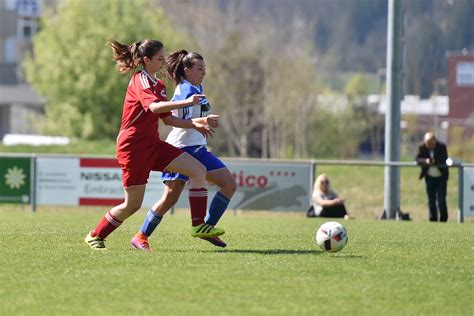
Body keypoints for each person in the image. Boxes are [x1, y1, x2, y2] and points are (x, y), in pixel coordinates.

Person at [84, 39, 224, 250]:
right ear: (146, 59)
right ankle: (96, 235)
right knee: (132, 205)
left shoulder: (158, 85)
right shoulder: (139, 79)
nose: (163, 62)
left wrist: (196, 124)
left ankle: (198, 225)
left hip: (153, 145)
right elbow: (153, 108)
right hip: (132, 148)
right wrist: (187, 102)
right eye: (159, 58)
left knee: (198, 170)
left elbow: (168, 119)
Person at [130, 50, 237, 251]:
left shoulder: (197, 87)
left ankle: (206, 227)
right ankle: (141, 236)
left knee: (229, 184)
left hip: (197, 147)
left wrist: (205, 119)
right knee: (170, 198)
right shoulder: (185, 91)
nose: (203, 72)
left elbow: (192, 118)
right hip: (181, 147)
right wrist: (202, 121)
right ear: (186, 70)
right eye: (199, 69)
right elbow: (176, 123)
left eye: (204, 69)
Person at [415, 132, 449, 222]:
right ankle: (433, 219)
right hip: (429, 177)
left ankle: (443, 220)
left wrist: (434, 161)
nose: (429, 146)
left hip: (441, 177)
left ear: (435, 141)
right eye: (427, 144)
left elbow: (444, 159)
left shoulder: (442, 146)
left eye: (431, 144)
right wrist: (426, 161)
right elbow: (417, 159)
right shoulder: (422, 147)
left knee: (441, 200)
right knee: (431, 200)